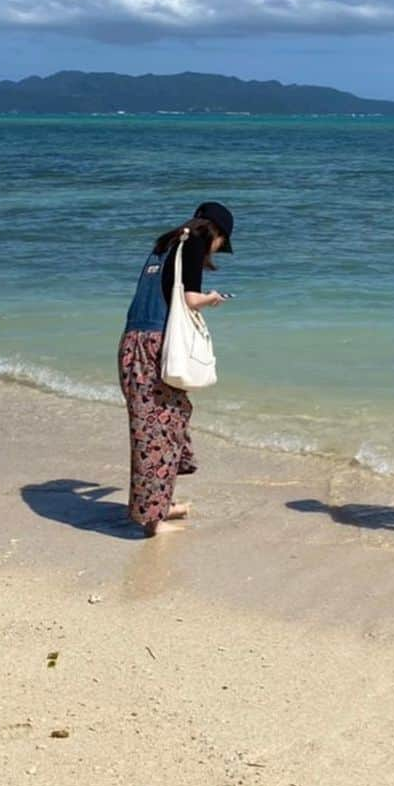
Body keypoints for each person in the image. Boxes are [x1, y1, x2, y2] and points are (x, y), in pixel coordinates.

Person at [118, 201, 234, 537]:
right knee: (157, 431)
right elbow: (187, 299)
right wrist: (212, 298)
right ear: (217, 233)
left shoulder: (165, 245)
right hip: (155, 345)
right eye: (221, 244)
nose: (216, 250)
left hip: (133, 344)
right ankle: (152, 521)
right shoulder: (195, 243)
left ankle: (159, 505)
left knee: (163, 422)